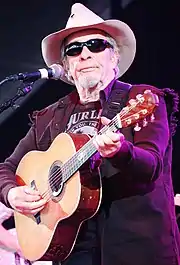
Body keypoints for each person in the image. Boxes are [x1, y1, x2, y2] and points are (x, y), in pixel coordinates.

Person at [0, 3, 179, 265]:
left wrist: (120, 151)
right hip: (72, 251)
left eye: (96, 45)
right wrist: (12, 194)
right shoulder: (51, 116)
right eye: (74, 50)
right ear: (65, 66)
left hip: (135, 246)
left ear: (114, 56)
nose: (84, 54)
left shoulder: (140, 99)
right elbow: (7, 167)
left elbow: (152, 165)